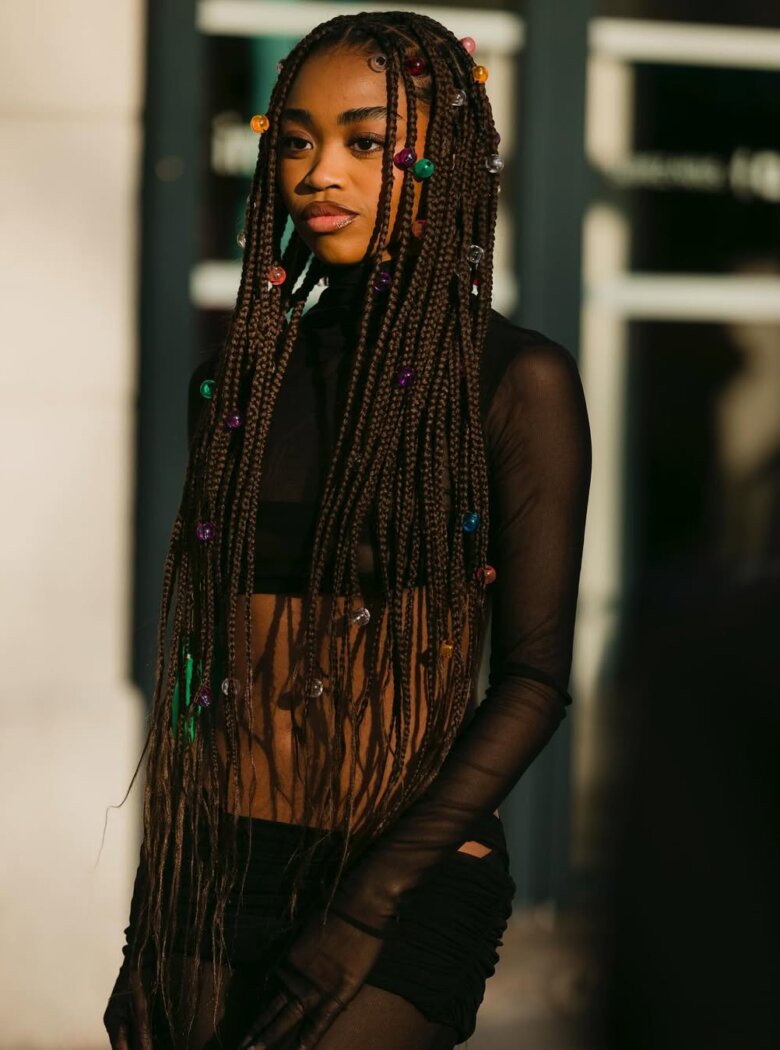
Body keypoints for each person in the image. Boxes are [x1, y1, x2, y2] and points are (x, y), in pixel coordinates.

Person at [104, 10, 591, 1050]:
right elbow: (204, 681)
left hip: (403, 869)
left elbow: (535, 679)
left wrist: (369, 902)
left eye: (366, 142)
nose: (320, 171)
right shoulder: (233, 383)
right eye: (295, 140)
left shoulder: (516, 383)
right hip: (216, 864)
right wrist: (157, 911)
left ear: (443, 157)